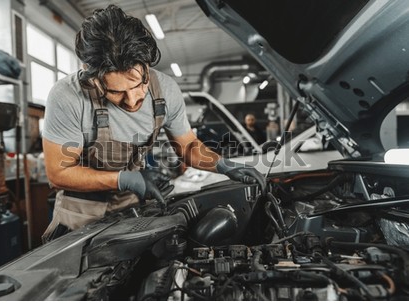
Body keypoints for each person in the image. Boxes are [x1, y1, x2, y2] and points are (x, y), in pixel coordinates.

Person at [41, 4, 265, 242]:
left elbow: (188, 147)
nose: (132, 99)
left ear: (146, 64)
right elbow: (58, 173)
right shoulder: (67, 96)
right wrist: (124, 178)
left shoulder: (165, 90)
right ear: (90, 74)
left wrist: (224, 166)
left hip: (130, 204)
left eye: (139, 84)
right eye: (116, 92)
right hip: (79, 210)